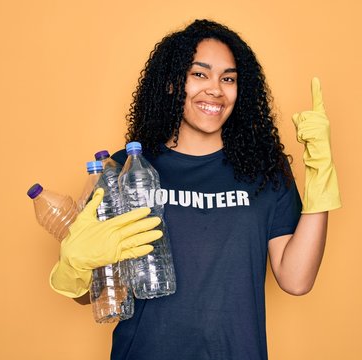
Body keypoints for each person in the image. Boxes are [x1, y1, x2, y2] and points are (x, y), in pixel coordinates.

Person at [49, 19, 341, 360]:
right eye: (199, 74)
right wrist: (75, 266)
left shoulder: (264, 170)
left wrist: (321, 178)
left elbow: (296, 280)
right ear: (173, 83)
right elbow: (92, 296)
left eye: (228, 78)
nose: (216, 89)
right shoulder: (125, 172)